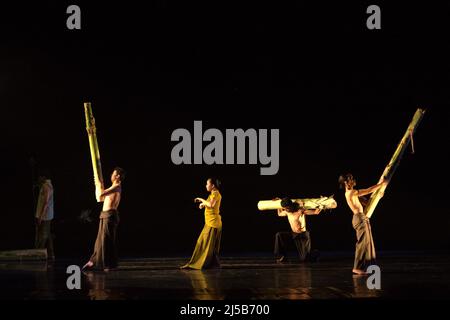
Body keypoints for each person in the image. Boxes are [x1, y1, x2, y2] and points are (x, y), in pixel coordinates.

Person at [339, 173, 387, 275]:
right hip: (359, 219)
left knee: (368, 243)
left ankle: (370, 266)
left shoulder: (353, 194)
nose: (352, 180)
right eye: (350, 179)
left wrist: (379, 196)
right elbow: (369, 190)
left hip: (362, 218)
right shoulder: (351, 193)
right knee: (362, 243)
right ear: (345, 182)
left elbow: (367, 203)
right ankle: (357, 267)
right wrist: (382, 183)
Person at [83, 167, 125, 272]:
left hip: (110, 215)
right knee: (99, 241)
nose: (111, 175)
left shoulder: (117, 187)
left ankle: (108, 264)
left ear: (118, 176)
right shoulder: (113, 187)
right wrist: (98, 185)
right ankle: (93, 261)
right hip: (105, 215)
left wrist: (98, 184)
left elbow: (101, 194)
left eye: (113, 173)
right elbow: (100, 198)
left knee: (107, 240)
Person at [181, 178, 222, 270]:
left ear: (213, 186)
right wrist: (203, 204)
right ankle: (213, 264)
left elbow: (211, 205)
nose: (206, 185)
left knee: (204, 243)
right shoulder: (213, 194)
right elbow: (211, 205)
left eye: (207, 184)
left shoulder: (215, 194)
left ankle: (196, 264)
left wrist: (201, 200)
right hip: (211, 223)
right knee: (209, 245)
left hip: (213, 223)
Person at [274, 198, 321, 263]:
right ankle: (283, 256)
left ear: (291, 206)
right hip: (293, 234)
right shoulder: (287, 212)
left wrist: (320, 206)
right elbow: (279, 214)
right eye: (285, 208)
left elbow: (316, 212)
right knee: (279, 235)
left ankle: (315, 253)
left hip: (303, 235)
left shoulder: (300, 211)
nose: (286, 209)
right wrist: (278, 204)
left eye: (287, 208)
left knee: (304, 259)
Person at [35, 173, 55, 260]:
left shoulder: (47, 186)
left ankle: (39, 253)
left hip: (45, 216)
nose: (39, 178)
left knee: (44, 235)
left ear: (44, 176)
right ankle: (51, 253)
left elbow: (46, 203)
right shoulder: (45, 185)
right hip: (45, 215)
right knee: (48, 234)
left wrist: (41, 216)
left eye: (40, 176)